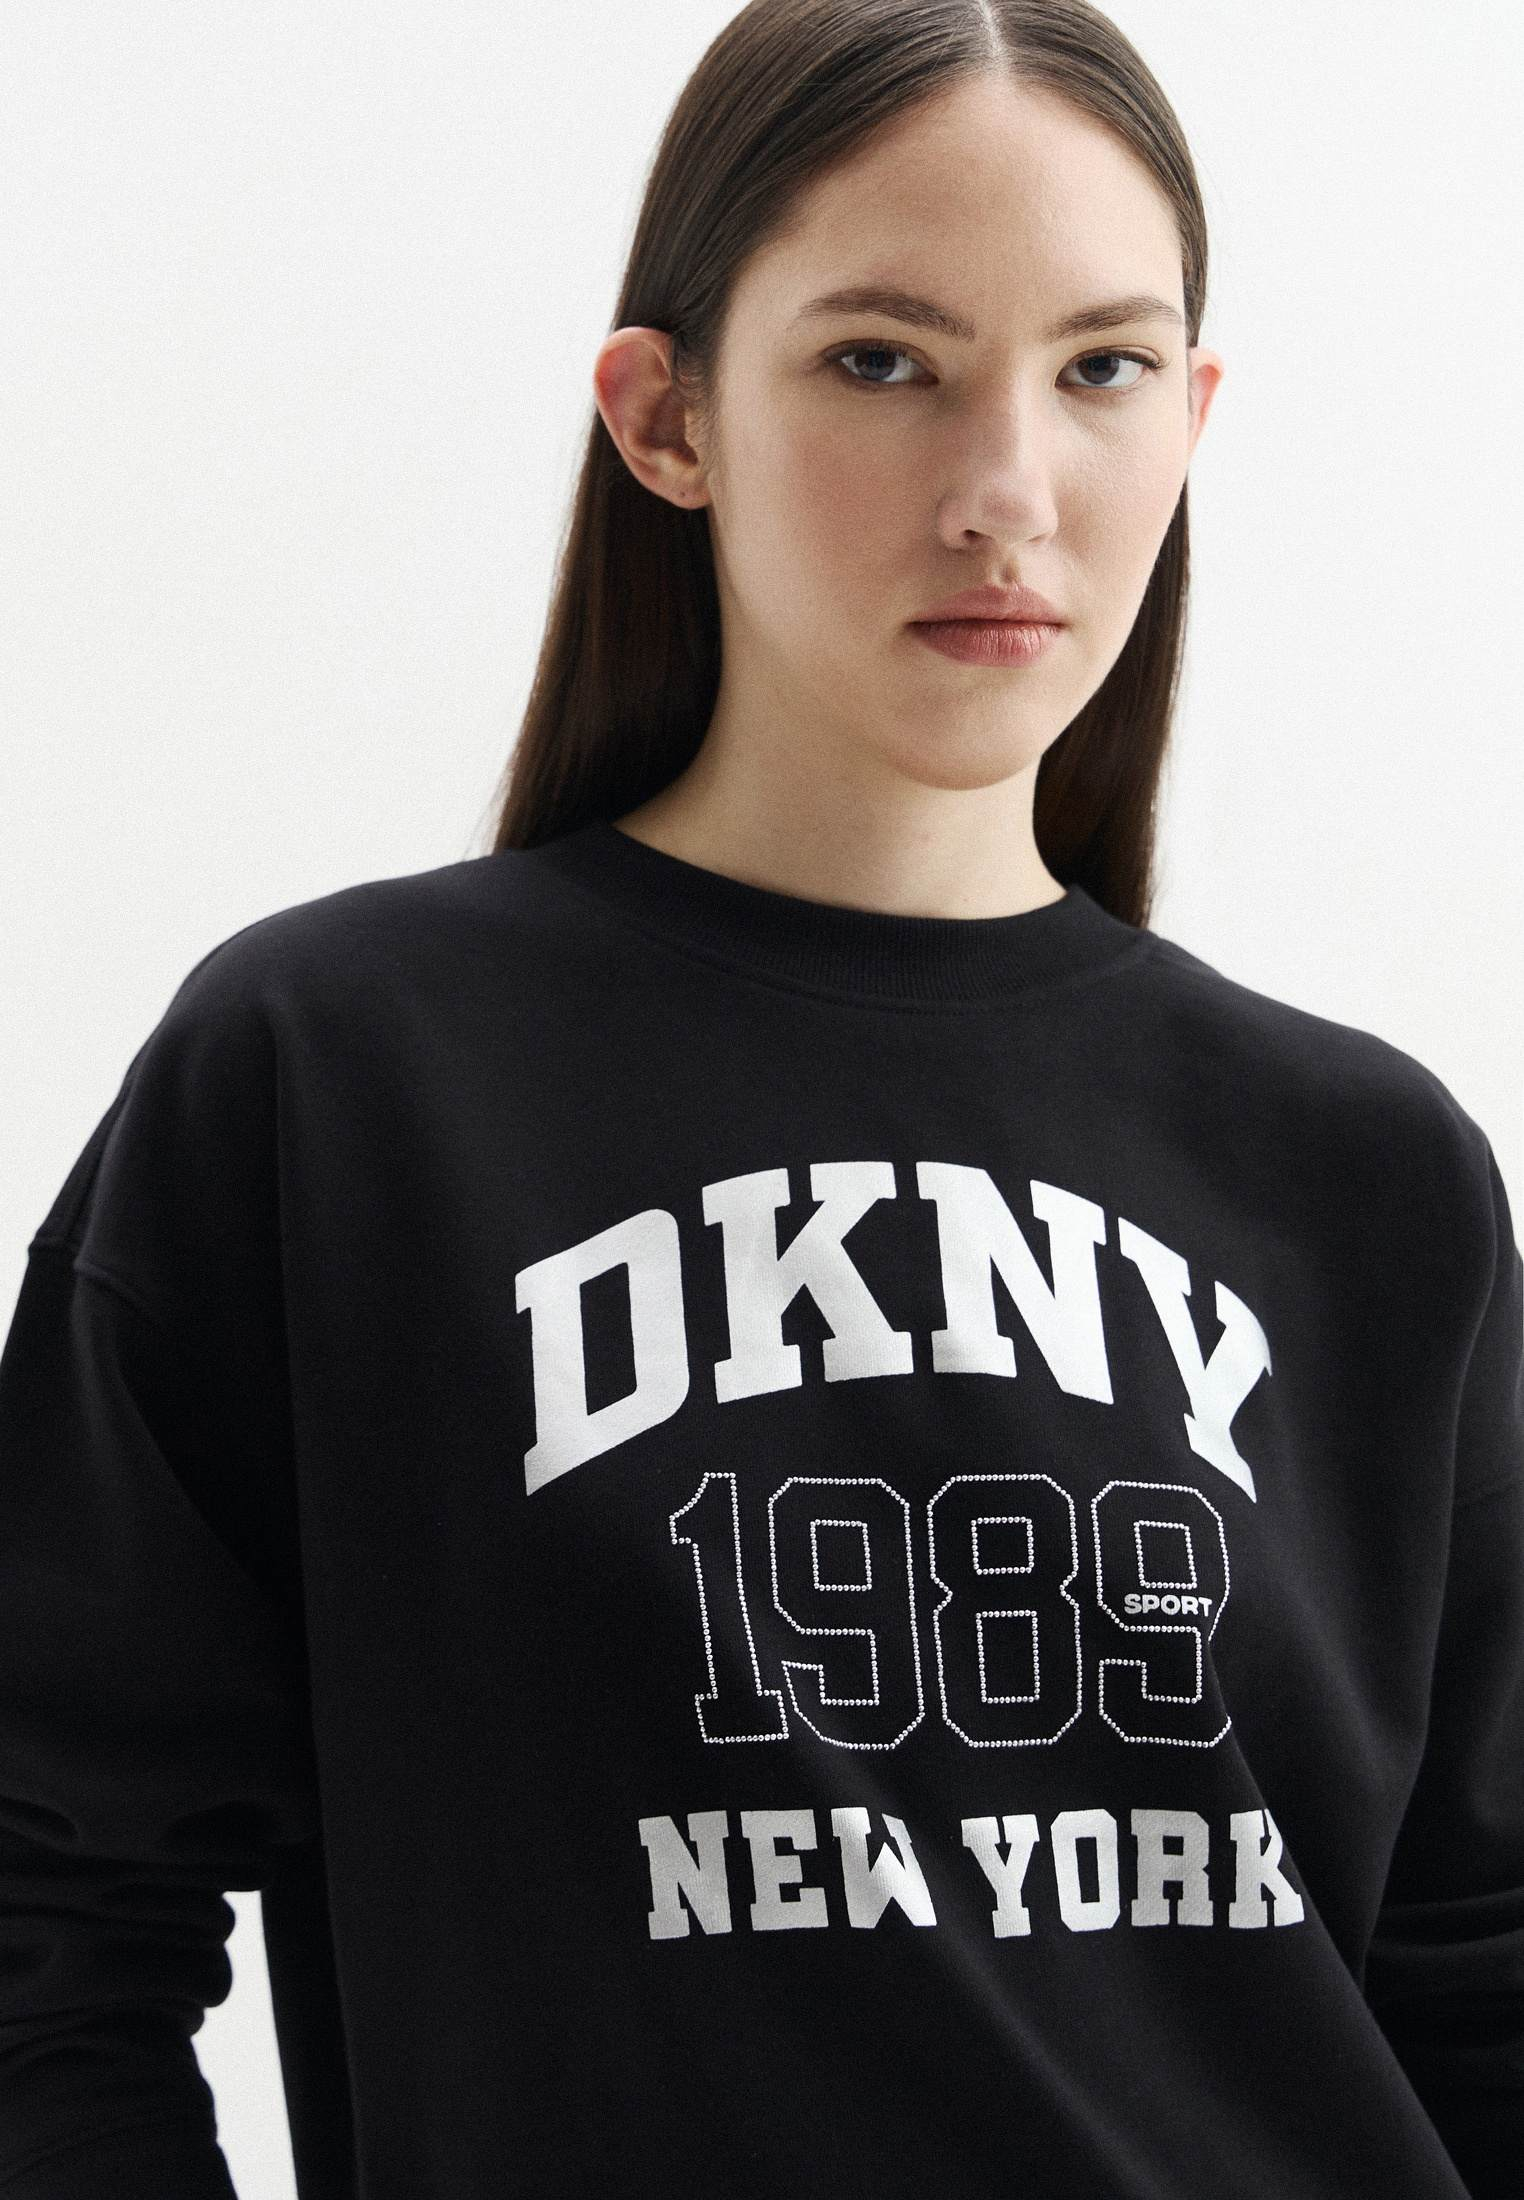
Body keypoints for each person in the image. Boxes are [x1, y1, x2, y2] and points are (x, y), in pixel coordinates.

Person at [1, 1, 1518, 2195]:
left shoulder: (1370, 1176)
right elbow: (48, 1905)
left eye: (1100, 369)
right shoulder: (340, 1082)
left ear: (1191, 416)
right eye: (884, 361)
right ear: (668, 415)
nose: (1009, 490)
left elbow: (1482, 1977)